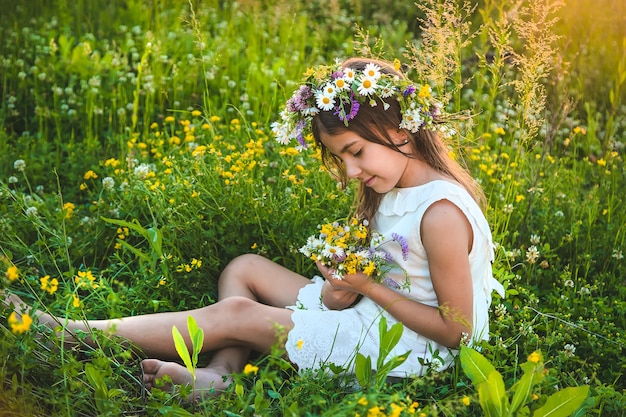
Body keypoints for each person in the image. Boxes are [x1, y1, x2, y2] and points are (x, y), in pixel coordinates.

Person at [2, 57, 504, 398]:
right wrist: (339, 292)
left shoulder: (440, 213)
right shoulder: (391, 187)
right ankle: (219, 376)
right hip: (374, 310)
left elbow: (458, 333)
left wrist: (367, 286)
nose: (352, 172)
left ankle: (69, 334)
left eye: (355, 152)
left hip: (415, 350)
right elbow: (381, 277)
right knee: (245, 268)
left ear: (400, 128)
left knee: (240, 311)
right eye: (340, 158)